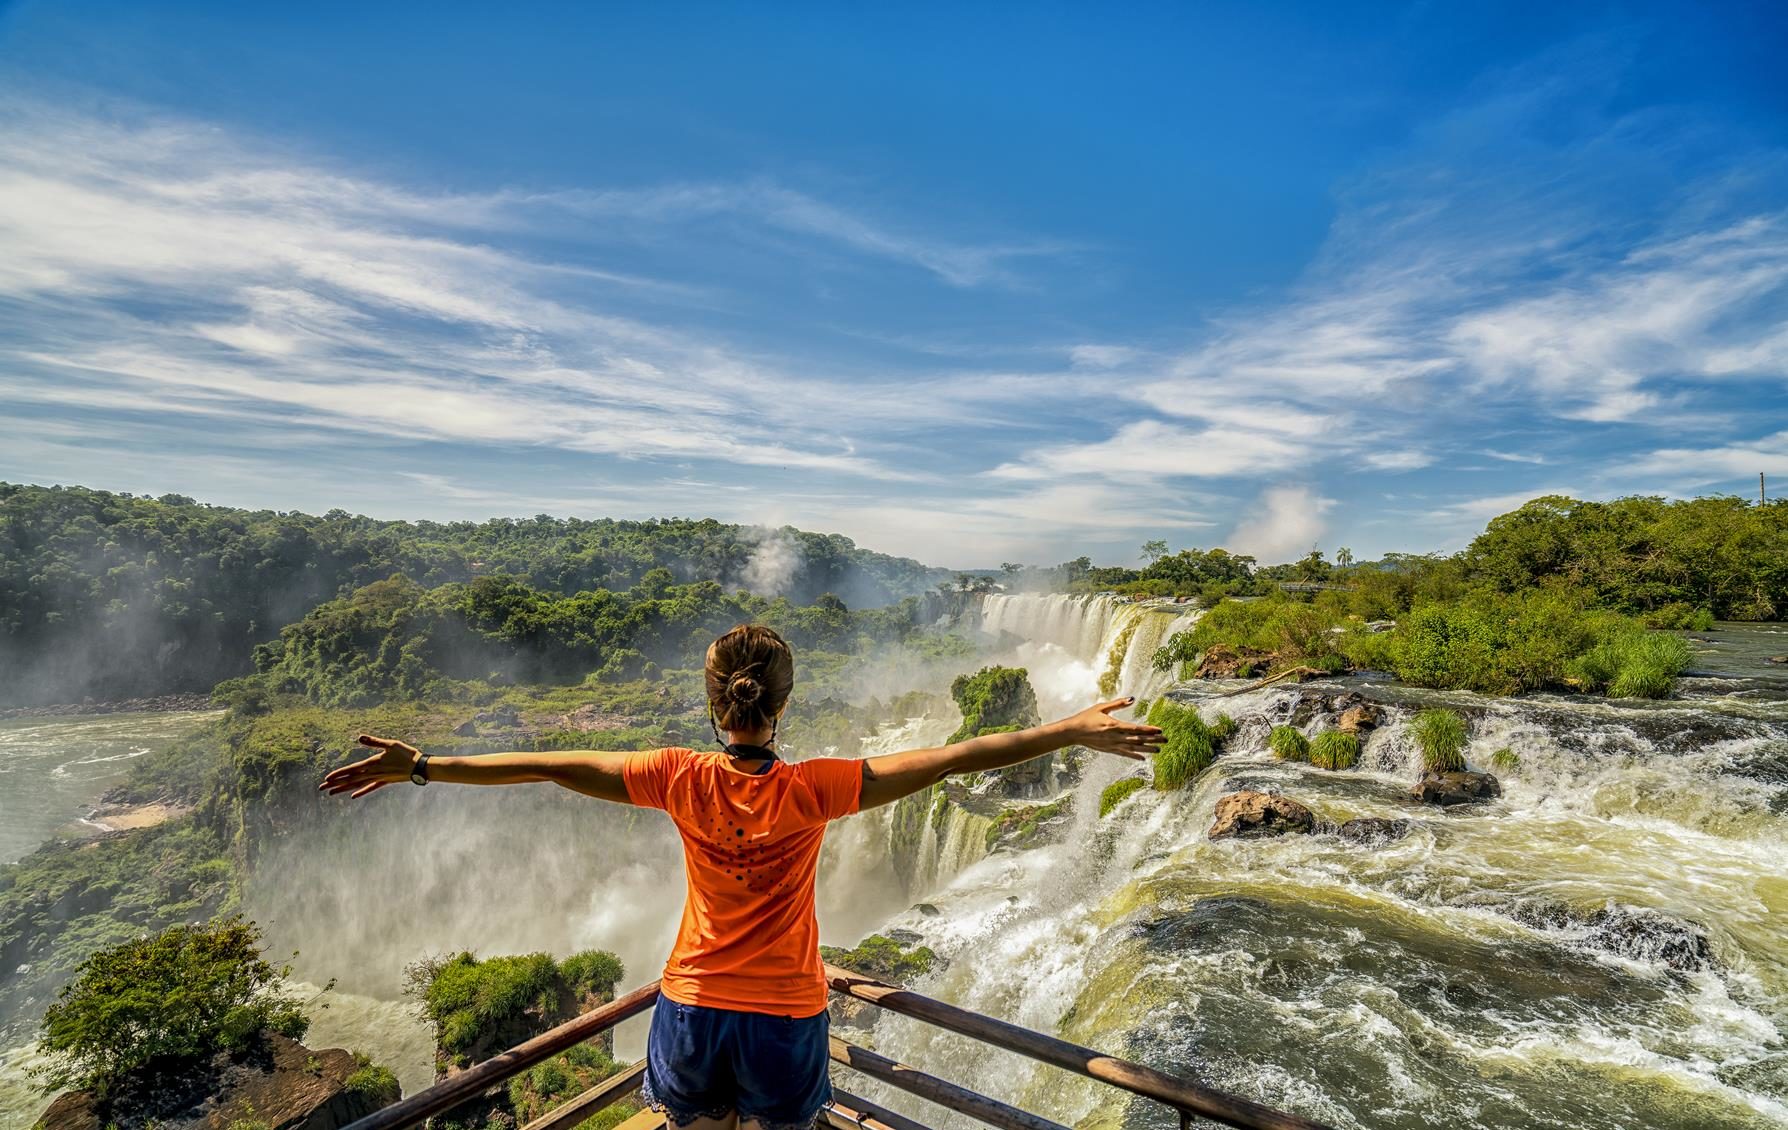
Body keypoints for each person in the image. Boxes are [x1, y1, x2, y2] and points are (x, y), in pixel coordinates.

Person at [320, 623, 1164, 1130]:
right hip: (785, 1013)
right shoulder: (817, 787)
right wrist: (1066, 733)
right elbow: (949, 761)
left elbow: (546, 766)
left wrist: (424, 766)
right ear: (781, 706)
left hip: (689, 1005)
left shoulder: (676, 777)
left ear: (714, 704)